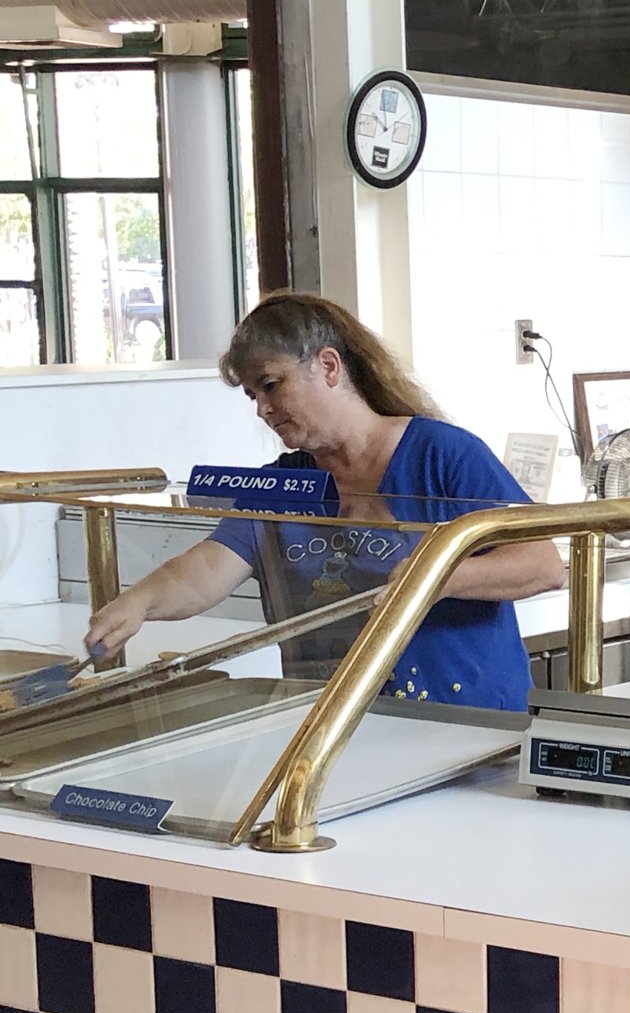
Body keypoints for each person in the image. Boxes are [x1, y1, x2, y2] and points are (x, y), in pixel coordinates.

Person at [84, 293, 563, 711]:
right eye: (253, 395)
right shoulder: (283, 485)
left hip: (469, 721)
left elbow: (542, 563)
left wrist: (436, 578)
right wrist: (139, 602)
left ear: (329, 367)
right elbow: (208, 568)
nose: (262, 409)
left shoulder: (441, 454)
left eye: (272, 385)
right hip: (336, 721)